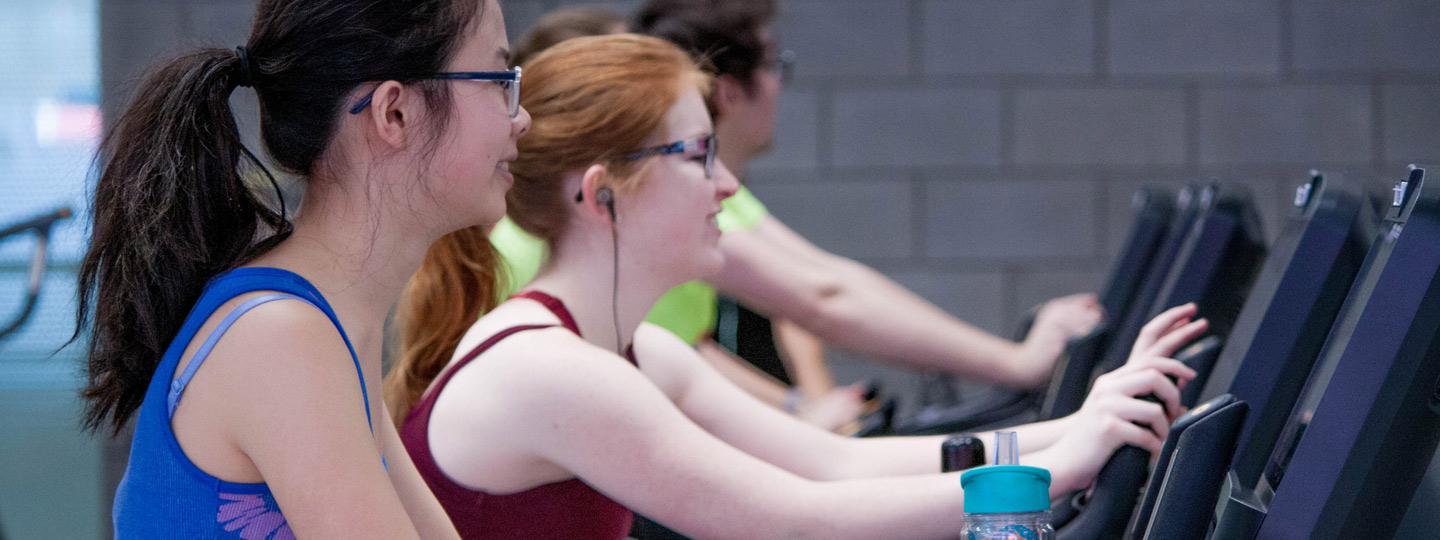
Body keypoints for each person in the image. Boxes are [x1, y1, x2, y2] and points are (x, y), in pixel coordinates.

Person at [388, 33, 1204, 539]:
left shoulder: (641, 352)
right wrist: (1058, 470)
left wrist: (1082, 428)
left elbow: (831, 469)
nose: (726, 189)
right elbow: (793, 521)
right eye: (697, 156)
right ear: (604, 192)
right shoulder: (550, 371)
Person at [76, 0, 528, 536]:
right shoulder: (282, 337)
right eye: (500, 79)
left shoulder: (329, 323)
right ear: (394, 113)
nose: (521, 117)